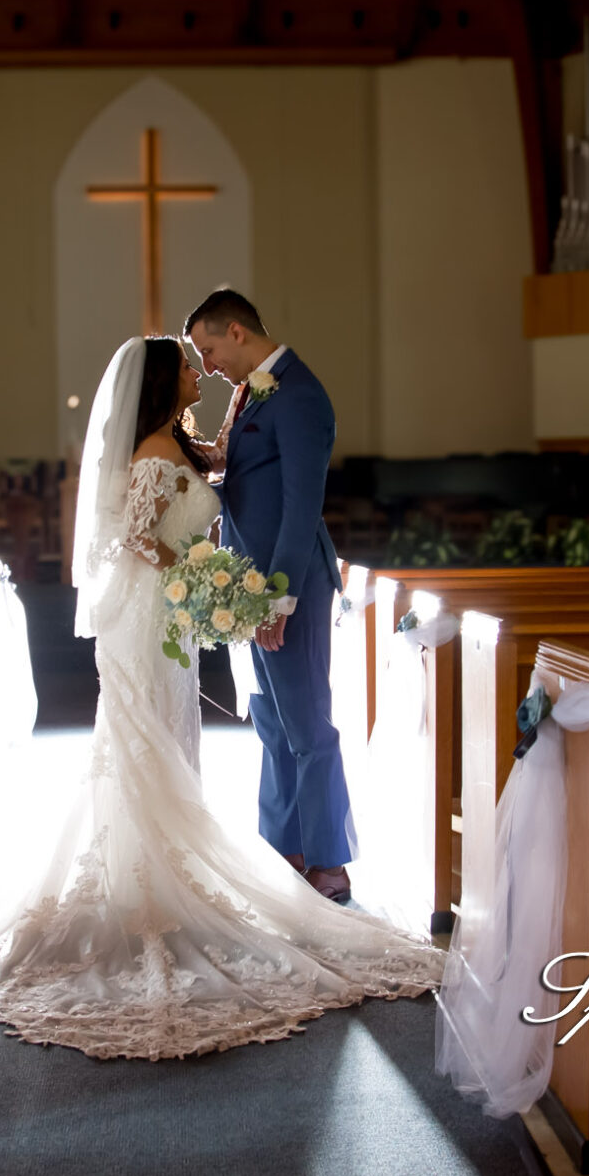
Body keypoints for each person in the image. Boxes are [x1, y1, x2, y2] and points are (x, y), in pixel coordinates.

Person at [0, 336, 438, 1060]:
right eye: (189, 366)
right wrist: (201, 574)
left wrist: (243, 405)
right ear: (163, 382)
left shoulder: (179, 443)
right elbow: (135, 539)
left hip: (171, 617)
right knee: (143, 738)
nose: (199, 371)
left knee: (169, 736)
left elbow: (220, 461)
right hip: (149, 612)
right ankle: (145, 887)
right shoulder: (157, 455)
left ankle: (160, 876)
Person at [185, 289, 355, 904]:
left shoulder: (300, 394)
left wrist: (279, 596)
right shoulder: (253, 390)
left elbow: (302, 505)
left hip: (291, 587)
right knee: (272, 725)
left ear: (236, 331)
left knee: (308, 725)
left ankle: (330, 862)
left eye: (208, 350)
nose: (207, 367)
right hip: (251, 586)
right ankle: (285, 847)